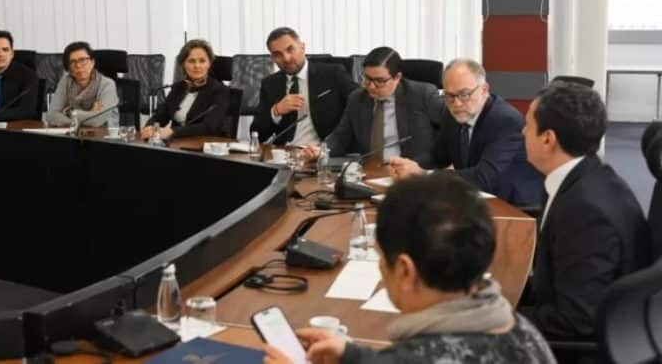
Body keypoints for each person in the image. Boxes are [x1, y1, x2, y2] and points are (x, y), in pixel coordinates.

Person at [264, 173, 556, 364]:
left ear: (405, 270)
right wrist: (352, 356)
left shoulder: (419, 356)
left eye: (382, 259)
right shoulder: (523, 332)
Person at [519, 82, 651, 339]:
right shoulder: (587, 177)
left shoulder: (585, 212)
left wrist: (501, 316)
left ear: (548, 139)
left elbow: (576, 319)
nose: (522, 132)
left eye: (527, 125)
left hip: (582, 347)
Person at [388, 59, 544, 206]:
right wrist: (408, 166)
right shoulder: (452, 114)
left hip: (514, 206)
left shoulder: (505, 120)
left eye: (464, 95)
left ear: (484, 90)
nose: (456, 103)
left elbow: (484, 178)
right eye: (449, 96)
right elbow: (437, 156)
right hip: (476, 199)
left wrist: (423, 175)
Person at [302, 47, 443, 165]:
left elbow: (449, 128)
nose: (371, 86)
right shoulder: (357, 98)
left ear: (397, 77)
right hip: (370, 172)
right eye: (367, 78)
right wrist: (321, 151)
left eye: (379, 81)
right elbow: (340, 137)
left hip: (412, 172)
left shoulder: (422, 94)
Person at [251, 27, 357, 145]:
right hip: (285, 152)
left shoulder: (332, 74)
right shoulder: (270, 83)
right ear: (273, 58)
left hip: (323, 150)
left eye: (290, 49)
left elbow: (361, 102)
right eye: (278, 54)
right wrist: (276, 111)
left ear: (302, 47)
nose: (286, 58)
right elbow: (256, 135)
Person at [140, 39, 229, 140]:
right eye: (191, 61)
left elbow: (209, 127)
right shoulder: (178, 87)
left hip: (205, 145)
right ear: (183, 64)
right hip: (177, 144)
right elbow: (161, 115)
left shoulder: (220, 91)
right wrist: (150, 127)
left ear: (209, 64)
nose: (197, 66)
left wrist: (173, 132)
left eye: (202, 61)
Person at [47, 41, 118, 127]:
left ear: (92, 62)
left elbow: (96, 121)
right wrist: (89, 114)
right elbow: (51, 116)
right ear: (68, 68)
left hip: (103, 133)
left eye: (83, 60)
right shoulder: (65, 81)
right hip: (74, 133)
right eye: (73, 62)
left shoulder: (107, 85)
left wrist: (68, 112)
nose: (78, 66)